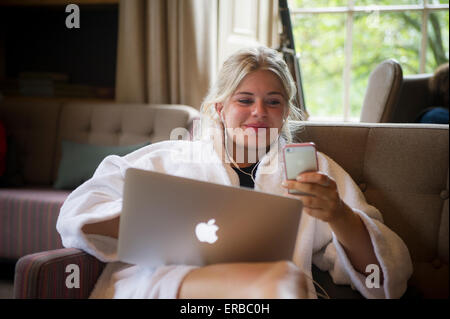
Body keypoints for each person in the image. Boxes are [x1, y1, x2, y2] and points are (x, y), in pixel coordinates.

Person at [56, 46, 413, 299]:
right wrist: (155, 220)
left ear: (285, 113)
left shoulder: (313, 171)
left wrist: (339, 215)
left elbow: (382, 278)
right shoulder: (168, 159)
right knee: (286, 281)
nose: (259, 111)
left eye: (273, 101)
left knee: (285, 282)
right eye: (245, 100)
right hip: (176, 287)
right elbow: (78, 213)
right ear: (220, 108)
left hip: (270, 293)